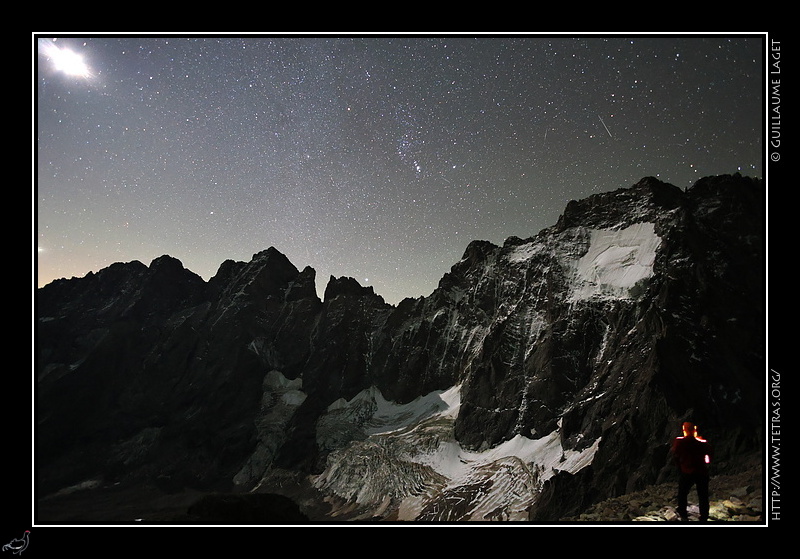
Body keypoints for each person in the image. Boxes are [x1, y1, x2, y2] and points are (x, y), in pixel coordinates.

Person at [670, 421, 714, 521]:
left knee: (682, 493)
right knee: (703, 495)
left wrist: (680, 468)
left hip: (687, 472)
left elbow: (675, 455)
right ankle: (704, 516)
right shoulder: (702, 443)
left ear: (684, 430)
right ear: (694, 430)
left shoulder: (679, 442)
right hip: (701, 472)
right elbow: (710, 456)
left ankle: (683, 513)